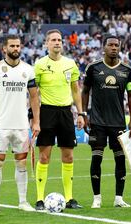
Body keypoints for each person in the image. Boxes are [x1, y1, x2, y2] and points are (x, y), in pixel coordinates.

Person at [0, 35, 40, 213]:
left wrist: (36, 121)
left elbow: (34, 96)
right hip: (1, 124)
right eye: (12, 46)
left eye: (18, 46)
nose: (16, 48)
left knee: (21, 163)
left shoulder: (28, 69)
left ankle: (23, 201)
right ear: (4, 49)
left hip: (22, 125)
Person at [81, 35, 131, 208]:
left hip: (118, 123)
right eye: (110, 45)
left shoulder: (127, 71)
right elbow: (85, 91)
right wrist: (84, 114)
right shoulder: (93, 68)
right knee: (96, 159)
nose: (114, 48)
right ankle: (96, 198)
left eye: (117, 45)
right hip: (97, 122)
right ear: (104, 47)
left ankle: (118, 198)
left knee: (120, 160)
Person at [34, 29, 85, 210]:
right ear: (46, 43)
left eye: (59, 40)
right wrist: (35, 118)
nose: (57, 42)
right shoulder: (39, 65)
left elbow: (75, 90)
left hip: (65, 113)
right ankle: (40, 198)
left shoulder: (70, 64)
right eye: (53, 40)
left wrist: (80, 113)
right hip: (46, 112)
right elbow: (33, 94)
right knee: (44, 156)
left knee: (68, 156)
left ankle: (70, 198)